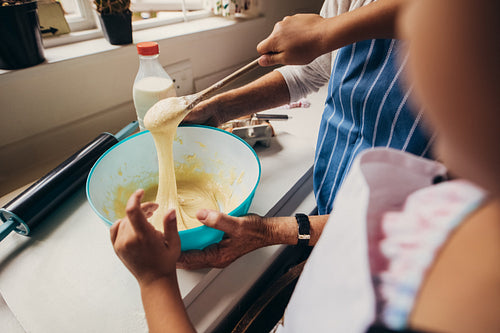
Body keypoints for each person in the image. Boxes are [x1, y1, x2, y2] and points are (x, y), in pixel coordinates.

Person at [110, 0, 500, 331]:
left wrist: (155, 281)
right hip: (333, 206)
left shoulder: (433, 265)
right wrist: (222, 106)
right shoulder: (424, 214)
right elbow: (316, 68)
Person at [178, 0, 433, 270]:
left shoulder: (466, 23)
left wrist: (269, 232)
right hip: (333, 207)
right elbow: (310, 71)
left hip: (405, 260)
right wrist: (220, 108)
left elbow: (411, 223)